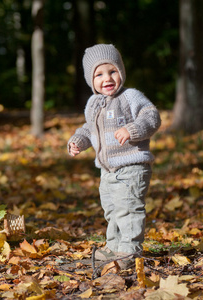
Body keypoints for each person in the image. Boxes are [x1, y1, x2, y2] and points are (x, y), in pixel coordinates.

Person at [68, 44, 161, 269]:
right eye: (99, 74)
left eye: (112, 71)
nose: (107, 78)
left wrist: (133, 129)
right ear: (91, 80)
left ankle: (130, 250)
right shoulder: (93, 104)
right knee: (111, 208)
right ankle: (114, 245)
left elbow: (151, 116)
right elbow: (88, 129)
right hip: (107, 171)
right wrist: (77, 141)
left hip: (132, 165)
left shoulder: (130, 96)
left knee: (128, 207)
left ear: (121, 71)